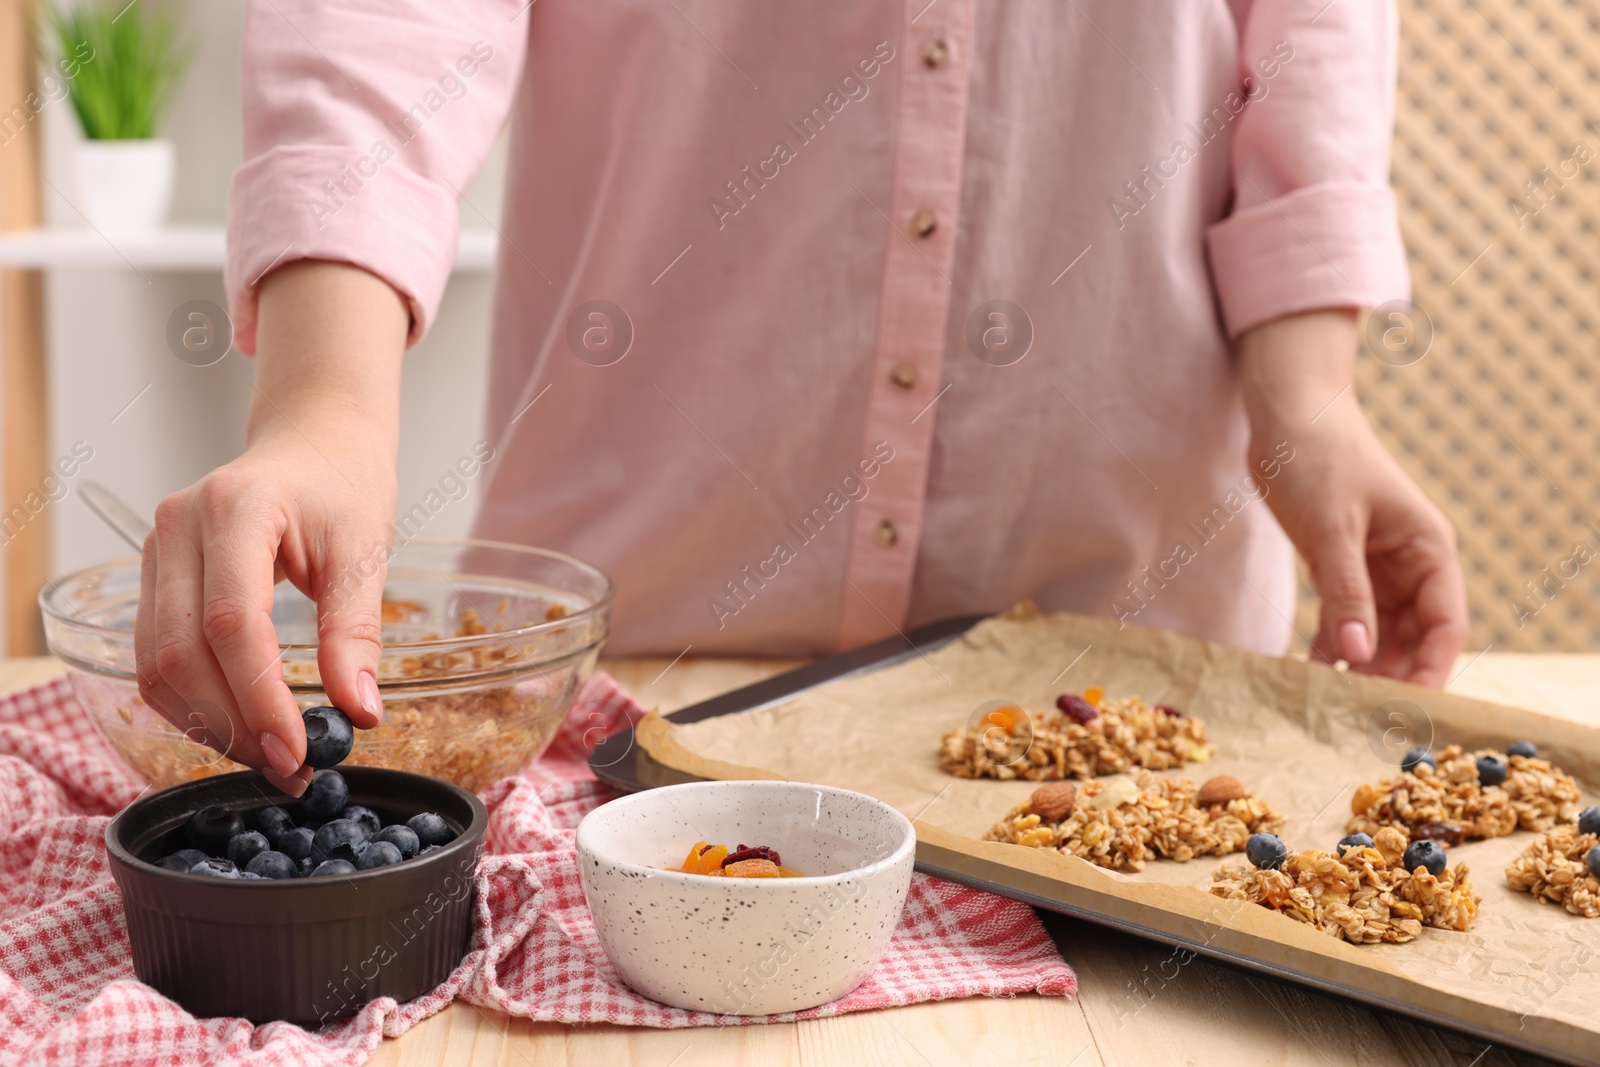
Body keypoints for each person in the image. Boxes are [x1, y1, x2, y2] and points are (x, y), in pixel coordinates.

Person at [135, 2, 1467, 797]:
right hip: (633, 678)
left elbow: (1306, 33)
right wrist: (328, 405)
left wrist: (1313, 397)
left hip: (1127, 678)